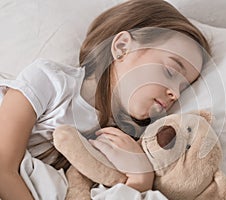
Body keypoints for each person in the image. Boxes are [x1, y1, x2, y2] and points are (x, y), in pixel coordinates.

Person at [0, 0, 210, 199]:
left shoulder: (129, 142)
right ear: (122, 48)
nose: (176, 93)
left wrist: (141, 178)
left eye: (184, 87)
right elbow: (3, 167)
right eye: (171, 72)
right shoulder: (50, 82)